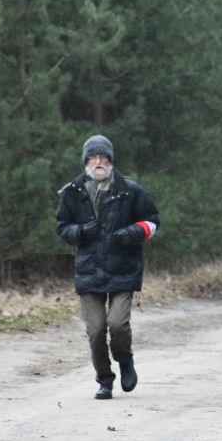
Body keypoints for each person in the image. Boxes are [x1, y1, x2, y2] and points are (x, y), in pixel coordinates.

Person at [55, 135, 160, 400]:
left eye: (103, 157)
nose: (98, 162)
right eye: (93, 157)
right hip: (89, 270)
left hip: (124, 268)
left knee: (117, 324)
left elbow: (153, 220)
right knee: (96, 329)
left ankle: (125, 361)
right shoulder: (73, 192)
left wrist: (132, 233)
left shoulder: (130, 189)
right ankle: (104, 380)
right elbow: (62, 227)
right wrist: (80, 232)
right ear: (86, 161)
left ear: (111, 160)